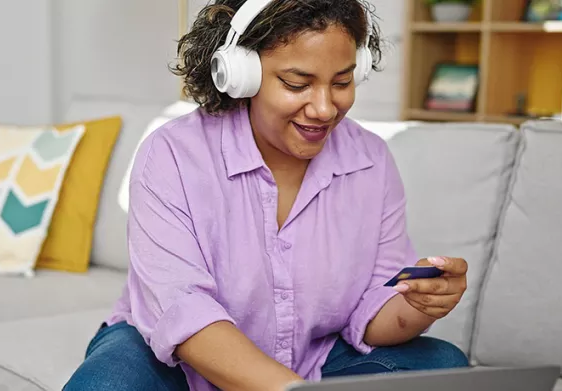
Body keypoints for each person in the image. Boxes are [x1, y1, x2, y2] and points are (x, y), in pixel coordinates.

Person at [64, 1, 470, 390]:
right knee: (107, 383)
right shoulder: (171, 154)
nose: (325, 108)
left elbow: (373, 316)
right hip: (176, 360)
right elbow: (182, 314)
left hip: (314, 359)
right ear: (241, 75)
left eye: (342, 82)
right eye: (297, 84)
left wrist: (417, 306)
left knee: (442, 365)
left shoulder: (371, 161)